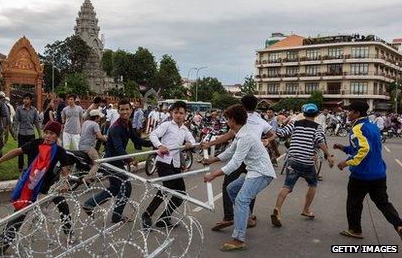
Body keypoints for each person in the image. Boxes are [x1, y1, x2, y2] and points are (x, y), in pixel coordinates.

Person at [0, 121, 74, 253]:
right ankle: (4, 242)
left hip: (49, 184)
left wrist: (64, 182)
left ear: (57, 136)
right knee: (20, 211)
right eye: (46, 132)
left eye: (51, 134)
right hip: (31, 183)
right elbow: (18, 151)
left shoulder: (59, 151)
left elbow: (65, 170)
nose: (47, 136)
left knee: (62, 205)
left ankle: (69, 233)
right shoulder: (36, 143)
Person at [202, 104, 276, 251]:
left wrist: (213, 175)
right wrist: (212, 160)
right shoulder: (241, 133)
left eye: (227, 119)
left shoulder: (246, 136)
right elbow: (230, 152)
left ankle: (239, 239)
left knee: (242, 200)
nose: (226, 122)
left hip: (261, 173)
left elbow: (234, 163)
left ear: (233, 120)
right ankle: (247, 218)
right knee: (232, 188)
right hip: (254, 171)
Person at [333, 101, 402, 240]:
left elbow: (365, 149)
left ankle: (355, 230)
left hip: (361, 175)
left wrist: (346, 163)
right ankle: (399, 225)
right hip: (379, 174)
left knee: (354, 203)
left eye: (350, 111)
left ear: (357, 113)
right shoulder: (373, 126)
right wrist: (343, 148)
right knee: (383, 203)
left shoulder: (358, 128)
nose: (348, 113)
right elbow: (362, 147)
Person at [82, 99, 152, 223]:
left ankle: (90, 204)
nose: (125, 112)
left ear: (131, 110)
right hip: (111, 161)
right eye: (122, 110)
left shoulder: (128, 124)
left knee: (115, 188)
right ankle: (115, 215)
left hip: (116, 161)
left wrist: (155, 144)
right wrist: (130, 160)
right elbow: (119, 149)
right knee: (126, 187)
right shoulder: (115, 128)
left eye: (127, 109)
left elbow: (137, 141)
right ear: (118, 111)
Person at [269, 103, 334, 227]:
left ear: (303, 114)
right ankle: (306, 209)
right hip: (307, 162)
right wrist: (329, 155)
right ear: (316, 115)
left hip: (292, 160)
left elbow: (281, 133)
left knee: (287, 186)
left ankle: (277, 209)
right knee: (312, 184)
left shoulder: (295, 124)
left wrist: (269, 139)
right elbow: (320, 141)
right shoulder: (317, 127)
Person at [142, 101, 196, 228]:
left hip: (176, 164)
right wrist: (160, 145)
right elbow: (153, 135)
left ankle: (164, 218)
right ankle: (147, 215)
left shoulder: (184, 128)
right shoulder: (167, 125)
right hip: (164, 162)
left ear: (185, 115)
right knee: (166, 189)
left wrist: (189, 143)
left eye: (181, 113)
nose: (178, 115)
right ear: (172, 113)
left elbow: (192, 140)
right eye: (175, 112)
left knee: (180, 194)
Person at [14, 93, 42, 172]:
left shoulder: (34, 110)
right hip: (22, 133)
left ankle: (30, 166)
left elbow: (36, 122)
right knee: (20, 150)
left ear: (30, 100)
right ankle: (20, 167)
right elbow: (16, 121)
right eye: (24, 99)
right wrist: (15, 132)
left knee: (32, 151)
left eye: (27, 99)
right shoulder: (19, 109)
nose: (25, 100)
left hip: (31, 133)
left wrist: (40, 133)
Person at [78, 109, 107, 182]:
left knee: (96, 154)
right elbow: (100, 136)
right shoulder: (95, 124)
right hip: (88, 147)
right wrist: (107, 139)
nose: (100, 119)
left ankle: (91, 173)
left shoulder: (85, 122)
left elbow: (83, 133)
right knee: (97, 162)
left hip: (81, 145)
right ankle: (86, 178)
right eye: (99, 117)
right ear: (96, 117)